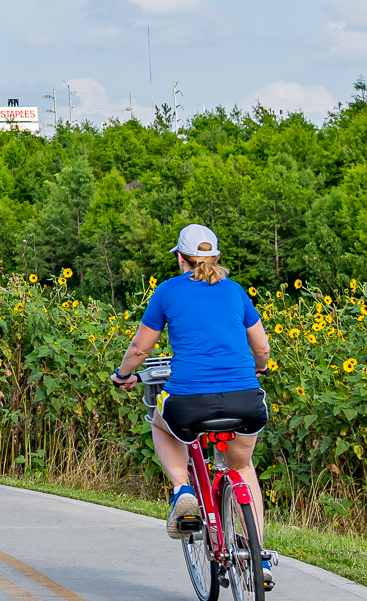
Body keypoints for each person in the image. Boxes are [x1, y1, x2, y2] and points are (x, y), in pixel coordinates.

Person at [111, 224, 274, 561]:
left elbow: (140, 349)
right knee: (242, 467)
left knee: (159, 421)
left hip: (189, 402)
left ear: (181, 260)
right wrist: (260, 368)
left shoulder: (168, 291)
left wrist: (122, 375)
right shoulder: (235, 291)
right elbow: (262, 347)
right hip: (246, 399)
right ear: (215, 257)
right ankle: (257, 554)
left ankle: (182, 487)